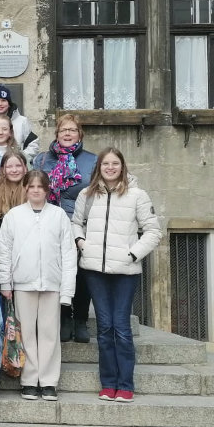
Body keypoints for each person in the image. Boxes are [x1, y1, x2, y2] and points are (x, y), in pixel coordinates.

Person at [73, 148, 161, 403]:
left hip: (125, 272)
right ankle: (107, 383)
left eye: (115, 163)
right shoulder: (86, 194)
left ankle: (125, 384)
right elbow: (76, 222)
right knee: (104, 326)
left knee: (121, 327)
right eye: (105, 164)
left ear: (122, 166)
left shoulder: (137, 195)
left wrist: (132, 254)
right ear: (98, 167)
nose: (110, 168)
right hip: (95, 271)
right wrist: (81, 243)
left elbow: (153, 231)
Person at [0, 170, 77, 402]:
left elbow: (68, 254)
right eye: (31, 186)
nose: (35, 190)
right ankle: (30, 380)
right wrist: (6, 281)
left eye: (40, 187)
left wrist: (67, 290)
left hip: (52, 283)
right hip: (23, 283)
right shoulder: (13, 216)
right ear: (25, 188)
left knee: (49, 333)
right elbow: (5, 252)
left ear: (47, 190)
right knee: (27, 334)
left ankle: (49, 381)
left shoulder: (59, 215)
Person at [33, 113, 99, 343]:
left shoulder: (92, 160)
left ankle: (80, 318)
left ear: (79, 134)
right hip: (50, 221)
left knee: (80, 272)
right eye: (63, 130)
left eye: (72, 130)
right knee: (56, 270)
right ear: (57, 134)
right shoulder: (42, 160)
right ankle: (63, 317)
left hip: (80, 222)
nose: (68, 134)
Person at [0, 152, 28, 295]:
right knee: (6, 304)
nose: (14, 170)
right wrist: (4, 248)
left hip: (28, 257)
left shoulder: (32, 191)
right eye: (9, 166)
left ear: (25, 168)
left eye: (18, 166)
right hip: (2, 258)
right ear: (2, 169)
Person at [0, 84, 39, 161]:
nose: (0, 104)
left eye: (3, 100)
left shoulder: (22, 122)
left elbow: (33, 144)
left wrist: (21, 159)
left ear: (9, 103)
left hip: (15, 168)